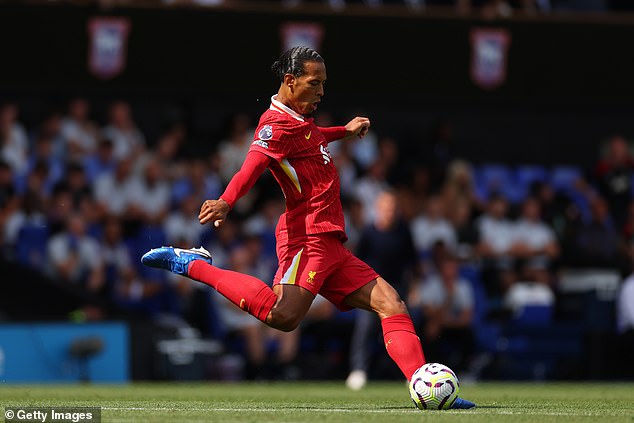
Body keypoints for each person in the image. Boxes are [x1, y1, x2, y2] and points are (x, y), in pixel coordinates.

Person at [142, 46, 474, 409]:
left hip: (331, 242)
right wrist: (226, 201)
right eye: (314, 83)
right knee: (283, 317)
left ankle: (426, 387)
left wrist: (343, 132)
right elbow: (251, 165)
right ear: (290, 80)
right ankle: (193, 264)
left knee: (391, 303)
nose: (321, 91)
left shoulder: (302, 122)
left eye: (324, 84)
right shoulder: (274, 125)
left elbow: (312, 139)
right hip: (307, 238)